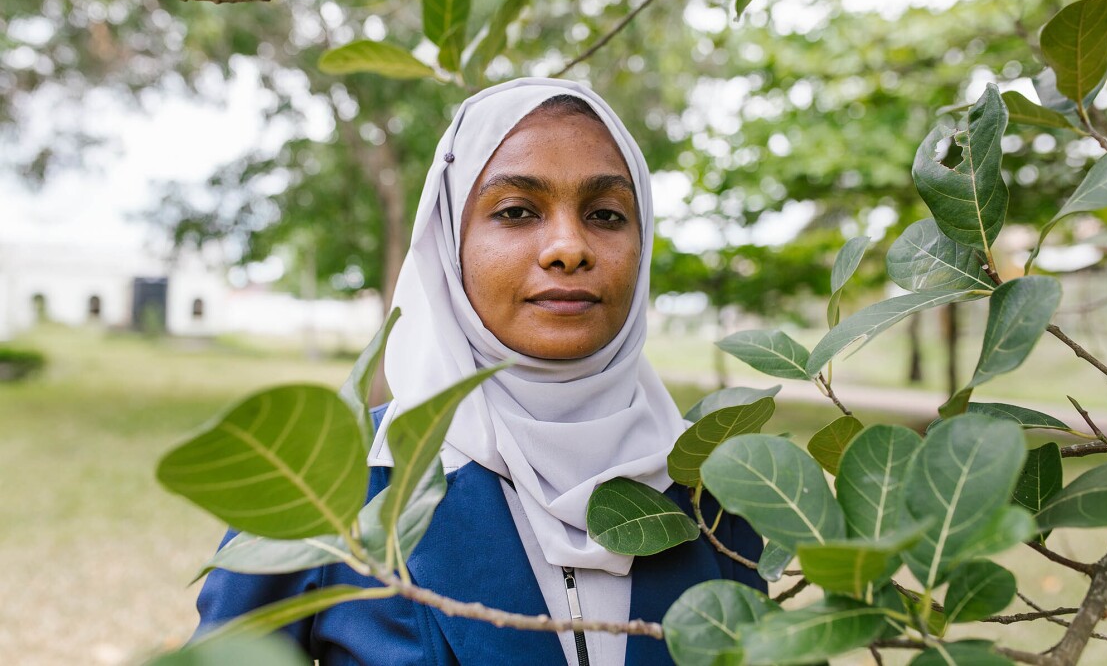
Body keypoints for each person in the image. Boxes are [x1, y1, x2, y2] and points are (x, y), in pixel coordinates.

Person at [196, 78, 765, 665]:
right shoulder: (326, 483)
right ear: (449, 243)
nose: (569, 248)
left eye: (605, 214)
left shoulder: (712, 494)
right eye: (517, 211)